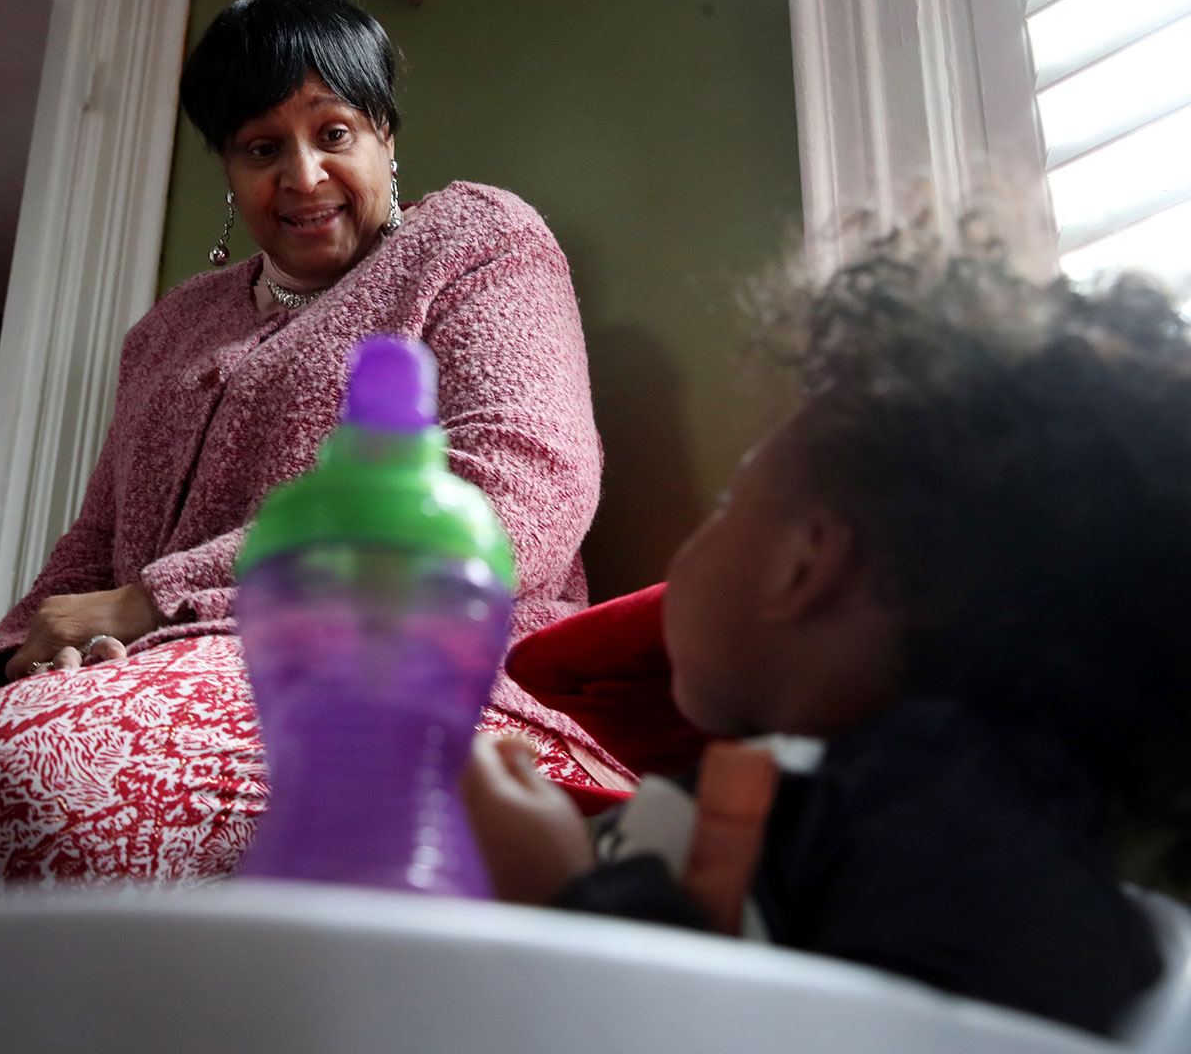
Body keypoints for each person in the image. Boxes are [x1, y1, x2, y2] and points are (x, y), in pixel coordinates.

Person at [0, 0, 624, 912]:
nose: (304, 176)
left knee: (23, 778)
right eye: (262, 148)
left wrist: (155, 600)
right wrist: (27, 656)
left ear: (387, 133)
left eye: (335, 132)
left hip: (388, 673)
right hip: (143, 674)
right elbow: (94, 544)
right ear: (230, 170)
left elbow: (522, 492)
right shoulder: (168, 330)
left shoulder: (474, 239)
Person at [463, 231, 1191, 1034]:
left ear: (803, 566)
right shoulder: (850, 798)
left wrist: (560, 896)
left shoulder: (959, 842)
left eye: (732, 503)